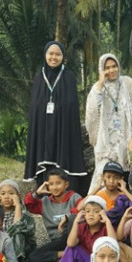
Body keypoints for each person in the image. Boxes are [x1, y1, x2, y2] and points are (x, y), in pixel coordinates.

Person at [24, 41, 87, 192]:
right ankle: (45, 190)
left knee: (63, 157)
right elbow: (35, 105)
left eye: (57, 54)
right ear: (45, 55)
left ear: (62, 56)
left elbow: (71, 105)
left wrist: (59, 111)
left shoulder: (69, 76)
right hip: (43, 127)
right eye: (51, 54)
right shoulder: (40, 77)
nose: (54, 57)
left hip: (63, 127)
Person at [85, 54, 132, 194]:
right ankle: (95, 204)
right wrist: (100, 83)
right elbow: (92, 111)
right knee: (104, 173)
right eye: (107, 68)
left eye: (114, 66)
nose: (111, 70)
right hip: (107, 140)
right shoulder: (98, 88)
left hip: (125, 133)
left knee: (125, 172)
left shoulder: (127, 83)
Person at [47, 196, 116, 262]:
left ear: (102, 214)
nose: (91, 214)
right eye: (87, 211)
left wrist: (107, 220)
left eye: (96, 211)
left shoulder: (106, 228)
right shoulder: (82, 227)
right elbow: (70, 243)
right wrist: (75, 222)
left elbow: (113, 244)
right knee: (72, 248)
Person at [24, 168, 83, 262]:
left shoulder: (74, 197)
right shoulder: (45, 202)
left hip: (72, 236)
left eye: (58, 183)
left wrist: (67, 217)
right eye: (51, 184)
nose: (54, 187)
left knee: (73, 218)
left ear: (66, 184)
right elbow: (27, 205)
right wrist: (37, 193)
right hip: (57, 241)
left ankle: (73, 249)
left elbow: (84, 208)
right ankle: (66, 254)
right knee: (33, 257)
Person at [0, 179, 36, 262]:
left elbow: (17, 226)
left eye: (11, 193)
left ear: (18, 196)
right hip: (1, 246)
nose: (6, 197)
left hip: (21, 248)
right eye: (3, 194)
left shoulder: (24, 212)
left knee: (17, 233)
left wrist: (18, 206)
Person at [93, 161, 132, 227]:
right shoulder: (99, 196)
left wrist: (125, 190)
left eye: (115, 178)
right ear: (103, 177)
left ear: (121, 179)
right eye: (108, 177)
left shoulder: (124, 197)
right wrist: (97, 187)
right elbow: (80, 207)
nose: (111, 181)